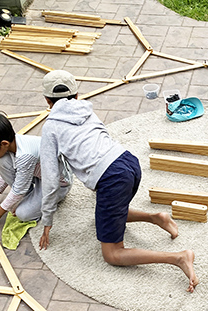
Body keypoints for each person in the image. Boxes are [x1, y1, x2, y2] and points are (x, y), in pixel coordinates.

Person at [38, 70, 199, 293]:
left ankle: (179, 258)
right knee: (105, 214)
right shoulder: (87, 110)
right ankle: (156, 217)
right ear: (76, 95)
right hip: (128, 161)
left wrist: (47, 220)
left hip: (113, 178)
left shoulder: (51, 127)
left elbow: (50, 178)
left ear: (47, 101)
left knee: (112, 254)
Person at [0, 112, 70, 228]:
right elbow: (7, 174)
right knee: (1, 161)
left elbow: (19, 189)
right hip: (39, 175)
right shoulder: (13, 143)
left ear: (4, 143)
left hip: (57, 184)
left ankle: (52, 199)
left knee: (22, 214)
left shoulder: (26, 156)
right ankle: (29, 196)